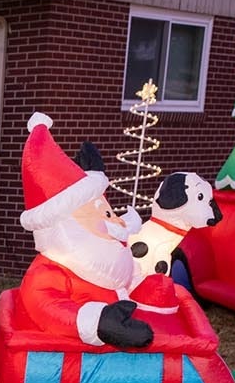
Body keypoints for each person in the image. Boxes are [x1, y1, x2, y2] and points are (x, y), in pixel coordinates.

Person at [12, 113, 165, 349]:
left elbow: (122, 276)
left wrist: (147, 288)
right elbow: (45, 305)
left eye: (109, 212)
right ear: (64, 222)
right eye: (104, 214)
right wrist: (98, 323)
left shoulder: (106, 256)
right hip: (73, 349)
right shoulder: (49, 271)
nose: (118, 222)